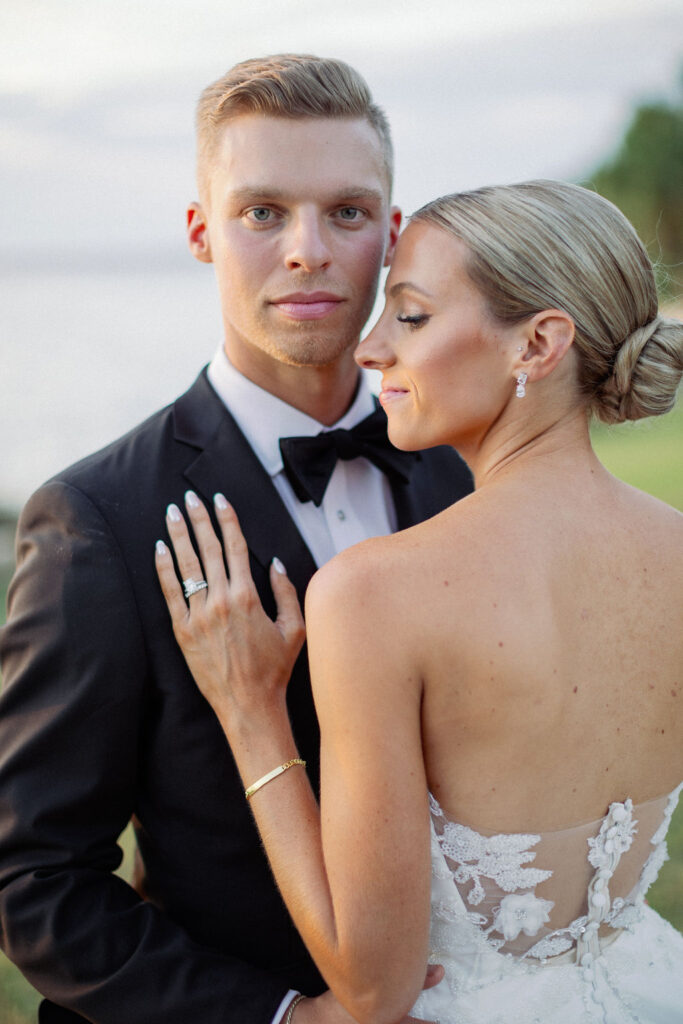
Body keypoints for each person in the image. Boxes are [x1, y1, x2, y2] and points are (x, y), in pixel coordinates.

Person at [0, 55, 472, 1024]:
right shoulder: (96, 517)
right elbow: (36, 879)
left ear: (389, 236)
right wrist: (278, 1018)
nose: (307, 250)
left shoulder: (458, 468)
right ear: (200, 231)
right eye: (262, 211)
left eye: (345, 212)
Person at [156, 180, 683, 1024]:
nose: (368, 351)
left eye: (408, 316)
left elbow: (374, 992)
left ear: (538, 344)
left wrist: (250, 708)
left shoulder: (375, 594)